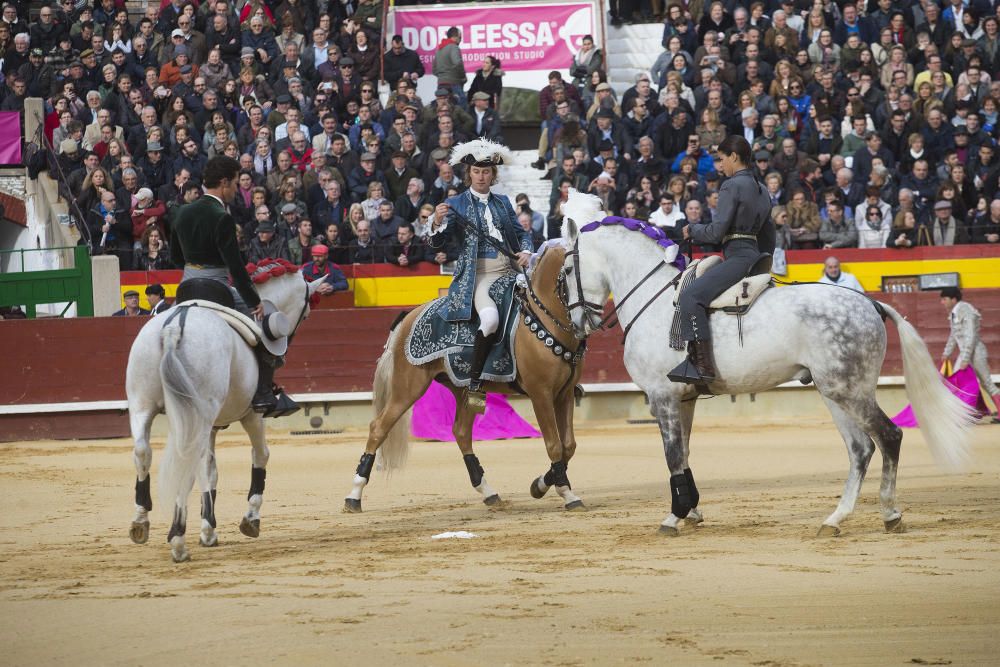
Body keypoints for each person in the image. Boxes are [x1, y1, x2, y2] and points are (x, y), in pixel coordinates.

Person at [170, 155, 286, 414]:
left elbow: (175, 257)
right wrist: (254, 301)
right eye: (235, 183)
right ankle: (263, 392)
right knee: (263, 328)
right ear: (223, 183)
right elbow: (235, 267)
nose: (236, 189)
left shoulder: (181, 212)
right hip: (217, 287)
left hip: (186, 286)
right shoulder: (221, 217)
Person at [429, 139, 533, 412]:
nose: (481, 176)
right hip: (479, 274)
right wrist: (437, 222)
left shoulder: (502, 202)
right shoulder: (456, 203)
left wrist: (526, 250)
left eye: (486, 172)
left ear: (493, 175)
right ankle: (475, 384)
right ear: (469, 174)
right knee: (489, 319)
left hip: (511, 269)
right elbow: (439, 243)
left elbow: (521, 233)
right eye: (476, 171)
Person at [671, 135, 774, 387]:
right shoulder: (761, 189)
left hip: (738, 255)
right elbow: (768, 234)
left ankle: (702, 366)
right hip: (756, 255)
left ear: (734, 157)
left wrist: (692, 230)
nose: (720, 164)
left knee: (690, 296)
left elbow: (717, 232)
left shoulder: (731, 185)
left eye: (722, 158)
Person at [940, 287, 1000, 422]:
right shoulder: (954, 313)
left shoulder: (966, 310)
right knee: (960, 383)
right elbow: (953, 335)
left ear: (953, 299)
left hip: (976, 352)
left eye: (944, 299)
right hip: (966, 354)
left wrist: (965, 358)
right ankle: (971, 412)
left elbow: (971, 335)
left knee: (986, 383)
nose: (942, 302)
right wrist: (947, 353)